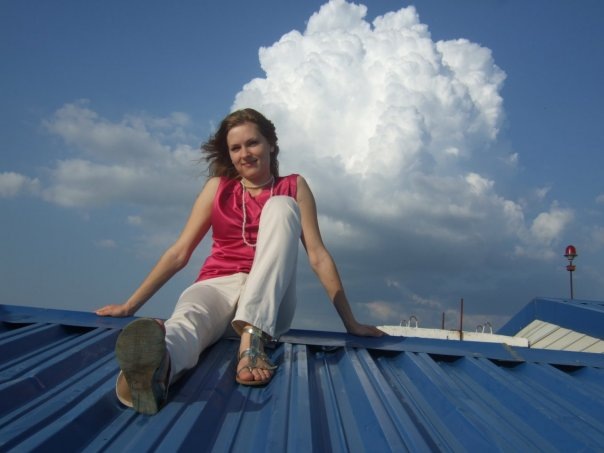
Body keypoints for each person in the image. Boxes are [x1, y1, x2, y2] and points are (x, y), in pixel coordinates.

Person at [96, 108, 384, 415]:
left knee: (282, 206)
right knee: (187, 320)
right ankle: (151, 373)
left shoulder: (293, 186)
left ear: (271, 144)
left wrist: (350, 323)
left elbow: (318, 256)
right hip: (217, 285)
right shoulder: (218, 188)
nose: (244, 154)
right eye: (235, 148)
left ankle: (252, 340)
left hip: (271, 302)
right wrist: (130, 306)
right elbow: (179, 252)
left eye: (252, 143)